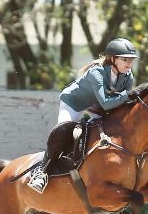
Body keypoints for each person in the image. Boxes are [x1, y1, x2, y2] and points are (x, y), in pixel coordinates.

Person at [27, 38, 139, 193]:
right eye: (125, 59)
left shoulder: (127, 76)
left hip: (96, 106)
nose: (129, 64)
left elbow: (122, 104)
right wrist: (129, 94)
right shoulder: (96, 72)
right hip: (74, 102)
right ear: (112, 59)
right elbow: (107, 103)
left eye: (131, 60)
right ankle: (41, 171)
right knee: (63, 131)